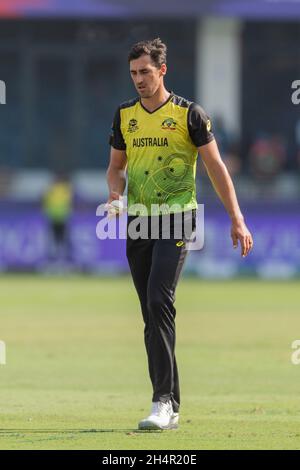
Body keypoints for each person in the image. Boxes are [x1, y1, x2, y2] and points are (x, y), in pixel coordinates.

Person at [106, 38, 253, 430]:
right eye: (134, 73)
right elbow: (116, 167)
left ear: (162, 70)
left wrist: (236, 217)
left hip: (177, 218)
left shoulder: (190, 114)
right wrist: (115, 195)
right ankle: (170, 403)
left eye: (145, 72)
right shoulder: (124, 116)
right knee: (151, 316)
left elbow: (216, 167)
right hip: (138, 220)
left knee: (159, 299)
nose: (138, 79)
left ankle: (162, 401)